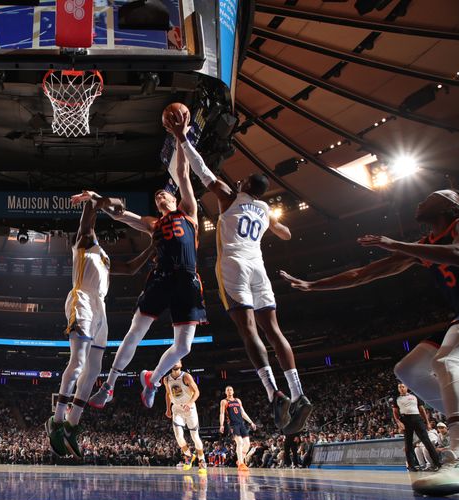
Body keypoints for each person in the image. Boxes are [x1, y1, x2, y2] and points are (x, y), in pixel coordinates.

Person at [280, 188, 459, 496]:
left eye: (432, 196)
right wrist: (313, 285)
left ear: (452, 205)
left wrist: (395, 244)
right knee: (409, 371)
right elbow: (363, 274)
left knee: (450, 361)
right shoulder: (425, 245)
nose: (421, 200)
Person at [168, 111, 311, 434]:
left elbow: (202, 169)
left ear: (245, 185)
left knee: (248, 331)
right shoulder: (263, 209)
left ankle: (274, 392)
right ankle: (299, 394)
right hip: (258, 266)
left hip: (234, 265)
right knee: (274, 331)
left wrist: (181, 137)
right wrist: (273, 224)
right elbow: (285, 233)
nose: (239, 180)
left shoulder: (230, 197)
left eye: (243, 179)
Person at [89, 108, 207, 410]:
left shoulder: (188, 212)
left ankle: (152, 380)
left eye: (162, 196)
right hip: (161, 278)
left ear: (172, 197)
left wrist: (180, 137)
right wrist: (98, 201)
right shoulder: (153, 223)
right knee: (134, 333)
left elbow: (182, 174)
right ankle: (110, 386)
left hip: (188, 278)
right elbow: (124, 216)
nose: (159, 199)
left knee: (184, 346)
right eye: (156, 199)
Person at [47, 191, 155, 458]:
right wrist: (93, 200)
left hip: (100, 308)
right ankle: (57, 420)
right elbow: (92, 214)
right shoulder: (84, 242)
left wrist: (154, 246)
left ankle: (73, 425)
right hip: (81, 298)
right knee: (79, 361)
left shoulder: (104, 257)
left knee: (94, 370)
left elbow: (130, 268)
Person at [163, 362, 207, 474]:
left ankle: (201, 459)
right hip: (177, 408)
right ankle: (189, 455)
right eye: (173, 360)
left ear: (181, 364)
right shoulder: (166, 379)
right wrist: (168, 408)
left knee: (195, 436)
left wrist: (190, 403)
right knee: (178, 436)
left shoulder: (186, 376)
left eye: (177, 361)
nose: (175, 362)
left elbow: (197, 392)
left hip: (189, 408)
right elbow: (168, 394)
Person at [391, 383, 441, 471]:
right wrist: (399, 422)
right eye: (399, 387)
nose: (401, 388)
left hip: (417, 418)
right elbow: (395, 412)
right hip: (405, 420)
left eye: (403, 387)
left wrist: (427, 422)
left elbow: (422, 409)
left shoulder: (415, 396)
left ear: (406, 387)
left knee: (427, 442)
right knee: (408, 444)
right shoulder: (396, 398)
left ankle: (437, 463)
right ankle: (411, 466)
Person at [219, 386, 257, 470]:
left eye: (231, 389)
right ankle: (241, 464)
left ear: (233, 391)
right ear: (225, 392)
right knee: (240, 442)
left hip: (241, 424)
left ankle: (240, 460)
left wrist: (251, 422)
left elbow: (243, 413)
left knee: (247, 444)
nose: (229, 391)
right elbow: (222, 414)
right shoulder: (224, 401)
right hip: (233, 424)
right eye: (227, 390)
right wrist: (221, 425)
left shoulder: (238, 400)